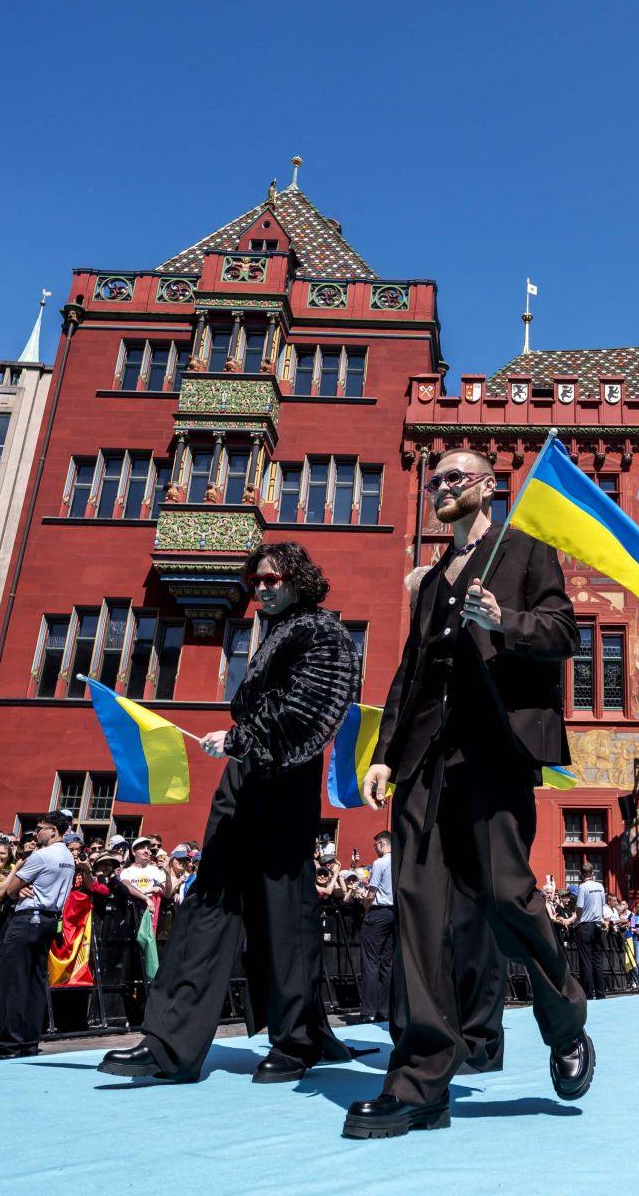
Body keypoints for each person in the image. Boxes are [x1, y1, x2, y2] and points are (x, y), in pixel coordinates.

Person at [345, 450, 593, 1140]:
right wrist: (386, 757)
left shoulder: (523, 552)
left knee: (508, 898)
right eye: (436, 479)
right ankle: (421, 1080)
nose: (441, 487)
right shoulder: (430, 582)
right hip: (427, 759)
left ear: (488, 488)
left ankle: (565, 1021)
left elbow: (564, 632)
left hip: (494, 749)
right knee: (421, 913)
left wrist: (503, 620)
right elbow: (411, 674)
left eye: (456, 477)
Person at [101, 541, 363, 1086]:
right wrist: (242, 744)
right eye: (255, 582)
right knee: (207, 902)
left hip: (285, 778)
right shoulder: (273, 634)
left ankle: (297, 1038)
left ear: (298, 578)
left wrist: (243, 738)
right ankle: (169, 1041)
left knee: (284, 906)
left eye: (270, 579)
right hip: (244, 774)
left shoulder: (324, 632)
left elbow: (313, 713)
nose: (260, 588)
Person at [0, 810, 75, 1061]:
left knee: (14, 983)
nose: (35, 832)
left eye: (40, 828)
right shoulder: (68, 857)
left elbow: (9, 891)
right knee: (35, 983)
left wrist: (18, 887)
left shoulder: (41, 856)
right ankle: (29, 1043)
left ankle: (9, 1045)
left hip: (28, 919)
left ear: (53, 830)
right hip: (49, 920)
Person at [360, 830, 396, 1023]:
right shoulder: (399, 862)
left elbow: (372, 893)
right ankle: (384, 1009)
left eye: (376, 846)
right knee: (387, 963)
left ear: (382, 844)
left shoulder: (380, 863)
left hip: (378, 912)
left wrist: (366, 911)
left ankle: (368, 1010)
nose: (375, 849)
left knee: (370, 961)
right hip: (394, 913)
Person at [575, 863, 608, 999]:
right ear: (593, 873)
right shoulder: (600, 886)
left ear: (582, 875)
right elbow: (603, 905)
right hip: (598, 924)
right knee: (597, 960)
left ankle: (588, 993)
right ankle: (601, 992)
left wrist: (577, 919)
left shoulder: (583, 887)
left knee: (586, 960)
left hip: (586, 925)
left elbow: (579, 906)